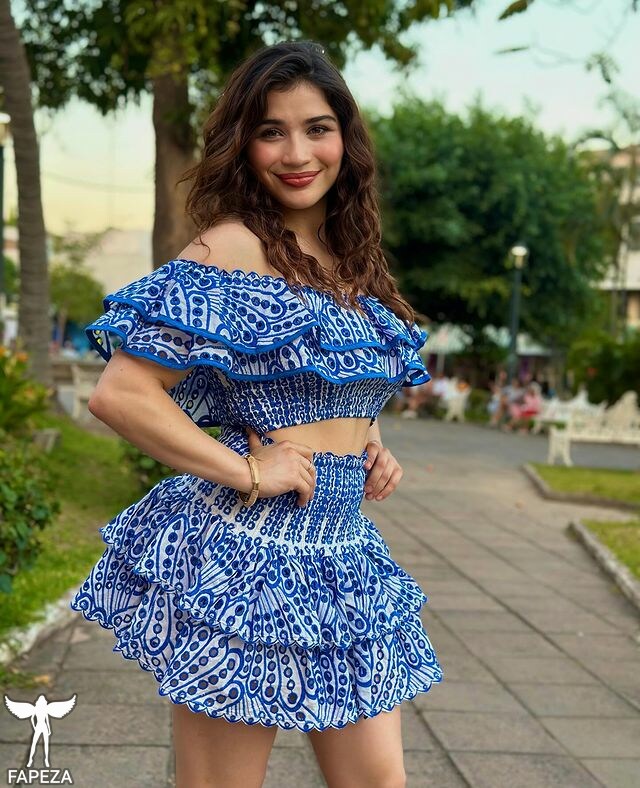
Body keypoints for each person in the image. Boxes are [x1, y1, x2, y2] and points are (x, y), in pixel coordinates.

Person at [69, 41, 443, 788]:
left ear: (346, 138)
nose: (297, 153)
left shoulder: (350, 259)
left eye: (317, 128)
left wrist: (371, 441)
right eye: (272, 131)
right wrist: (246, 469)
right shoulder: (229, 248)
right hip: (247, 556)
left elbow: (332, 381)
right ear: (244, 144)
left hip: (342, 553)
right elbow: (121, 393)